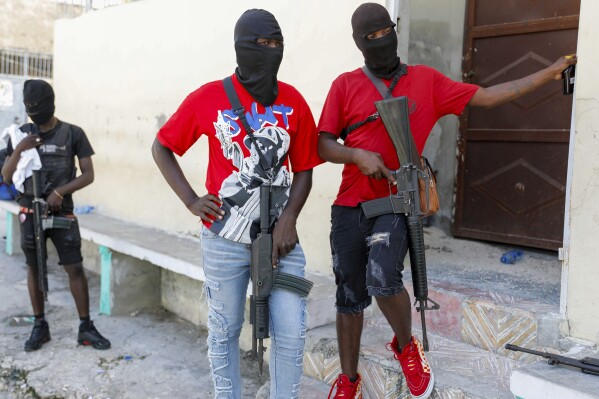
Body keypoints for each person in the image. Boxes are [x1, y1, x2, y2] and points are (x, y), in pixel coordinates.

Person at [318, 3, 577, 399]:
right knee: (349, 296)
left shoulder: (427, 81)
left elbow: (488, 96)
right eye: (370, 37)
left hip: (397, 200)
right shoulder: (344, 85)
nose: (380, 41)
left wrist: (548, 72)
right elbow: (323, 143)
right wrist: (356, 155)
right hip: (350, 205)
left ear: (396, 29)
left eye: (385, 31)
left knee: (383, 277)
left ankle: (405, 345)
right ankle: (348, 379)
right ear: (358, 43)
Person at [152, 9, 322, 399]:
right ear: (241, 47)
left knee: (292, 331)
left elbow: (306, 168)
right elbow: (162, 146)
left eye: (277, 43)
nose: (271, 51)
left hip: (282, 241)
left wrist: (290, 219)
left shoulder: (294, 101)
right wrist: (191, 200)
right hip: (224, 239)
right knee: (225, 329)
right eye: (261, 44)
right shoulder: (209, 97)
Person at [1, 80, 110, 352]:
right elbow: (5, 176)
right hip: (30, 213)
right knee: (34, 268)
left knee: (74, 267)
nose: (35, 113)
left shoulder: (73, 133)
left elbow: (88, 174)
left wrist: (60, 192)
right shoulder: (19, 135)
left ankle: (85, 326)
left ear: (51, 103)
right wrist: (20, 149)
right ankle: (40, 325)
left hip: (63, 214)